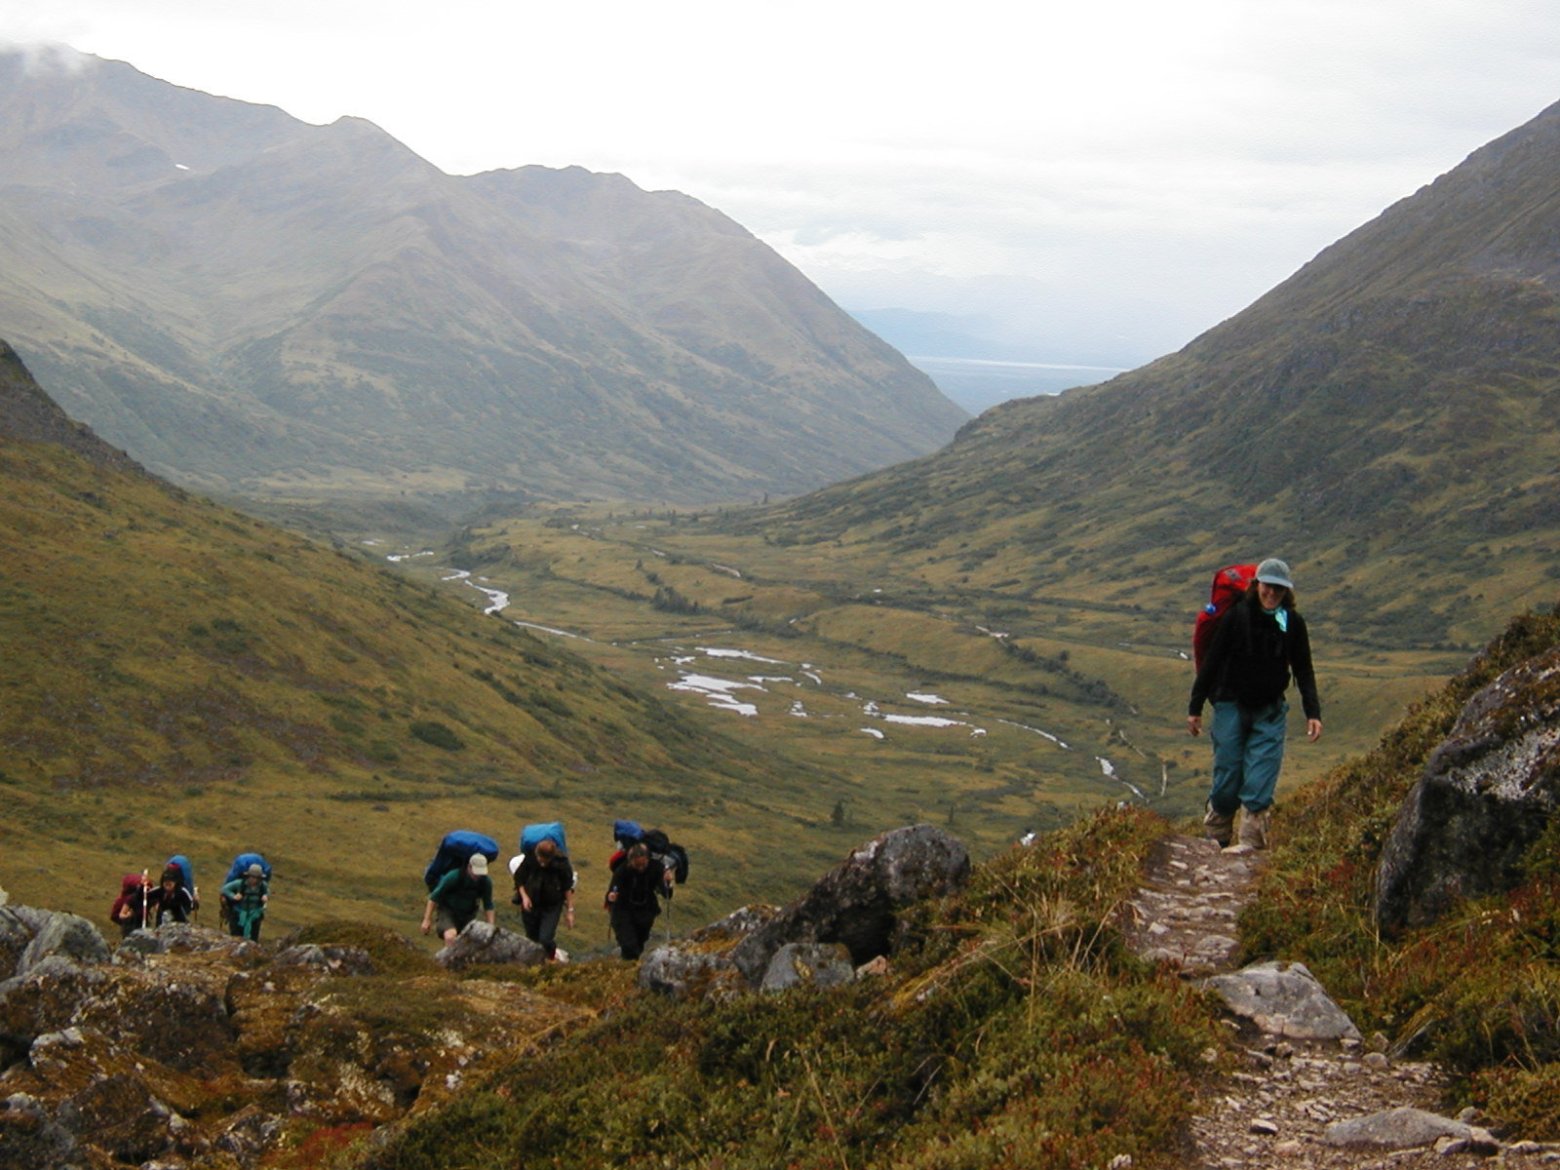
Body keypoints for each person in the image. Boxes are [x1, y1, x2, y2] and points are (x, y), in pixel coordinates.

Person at [1188, 556, 1322, 850]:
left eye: (1278, 588)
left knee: (1261, 777)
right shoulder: (1236, 616)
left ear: (1286, 591)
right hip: (1230, 702)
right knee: (1227, 775)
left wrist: (1313, 712)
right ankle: (1217, 835)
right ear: (1256, 585)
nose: (1271, 593)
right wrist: (1195, 707)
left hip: (1270, 709)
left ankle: (1249, 846)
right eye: (1267, 586)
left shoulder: (1290, 622)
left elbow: (1303, 667)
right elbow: (1213, 661)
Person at [512, 838, 575, 960]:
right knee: (532, 939)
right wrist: (524, 897)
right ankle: (536, 965)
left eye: (545, 861)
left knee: (545, 939)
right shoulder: (530, 858)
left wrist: (570, 911)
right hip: (531, 903)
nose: (542, 863)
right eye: (540, 859)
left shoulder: (561, 864)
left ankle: (551, 957)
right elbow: (519, 878)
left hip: (552, 906)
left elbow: (567, 887)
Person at [606, 842, 671, 960]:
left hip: (645, 912)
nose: (641, 868)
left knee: (639, 944)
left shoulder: (656, 868)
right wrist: (611, 897)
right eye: (637, 865)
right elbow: (611, 892)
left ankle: (627, 968)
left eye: (643, 864)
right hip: (623, 911)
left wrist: (668, 882)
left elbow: (667, 894)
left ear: (648, 859)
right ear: (630, 861)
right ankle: (628, 968)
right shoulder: (622, 870)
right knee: (628, 945)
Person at [422, 853, 495, 944]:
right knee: (450, 936)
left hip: (468, 916)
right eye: (476, 872)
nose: (478, 876)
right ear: (469, 867)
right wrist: (427, 919)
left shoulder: (485, 882)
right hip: (447, 912)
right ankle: (449, 958)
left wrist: (491, 927)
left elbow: (488, 905)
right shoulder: (454, 876)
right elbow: (434, 898)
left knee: (468, 943)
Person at [222, 863, 270, 941]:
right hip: (238, 914)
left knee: (253, 938)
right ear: (248, 876)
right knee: (236, 938)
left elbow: (267, 892)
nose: (254, 880)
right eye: (252, 877)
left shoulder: (262, 886)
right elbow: (225, 889)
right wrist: (233, 896)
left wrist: (265, 896)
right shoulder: (240, 883)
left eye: (257, 878)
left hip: (254, 916)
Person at [109, 872, 149, 937]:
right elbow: (116, 915)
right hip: (131, 927)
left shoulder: (123, 899)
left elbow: (114, 915)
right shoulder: (128, 899)